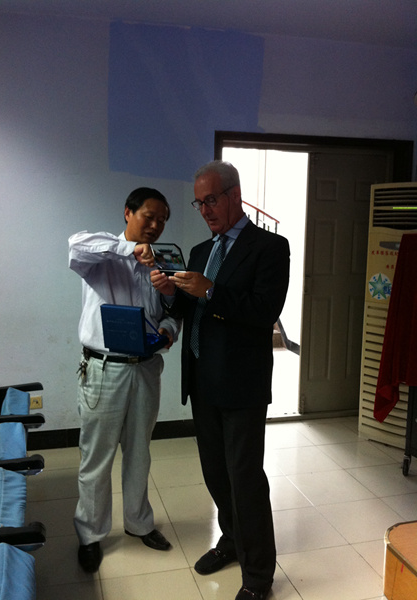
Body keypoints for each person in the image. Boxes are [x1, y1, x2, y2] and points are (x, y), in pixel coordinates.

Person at [151, 161, 290, 600]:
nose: (205, 210)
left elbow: (264, 311)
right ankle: (231, 540)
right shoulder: (198, 252)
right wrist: (170, 294)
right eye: (199, 203)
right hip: (202, 381)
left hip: (241, 385)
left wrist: (211, 290)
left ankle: (259, 576)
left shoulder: (270, 247)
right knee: (215, 473)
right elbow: (187, 310)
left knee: (245, 478)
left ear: (235, 195)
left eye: (211, 200)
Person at [69, 187, 181, 573]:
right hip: (105, 369)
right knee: (97, 457)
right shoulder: (102, 256)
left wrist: (168, 329)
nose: (156, 225)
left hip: (146, 368)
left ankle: (138, 523)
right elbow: (76, 245)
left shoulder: (162, 264)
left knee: (139, 452)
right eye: (149, 216)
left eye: (162, 220)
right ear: (128, 213)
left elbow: (172, 312)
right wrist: (128, 250)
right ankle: (90, 534)